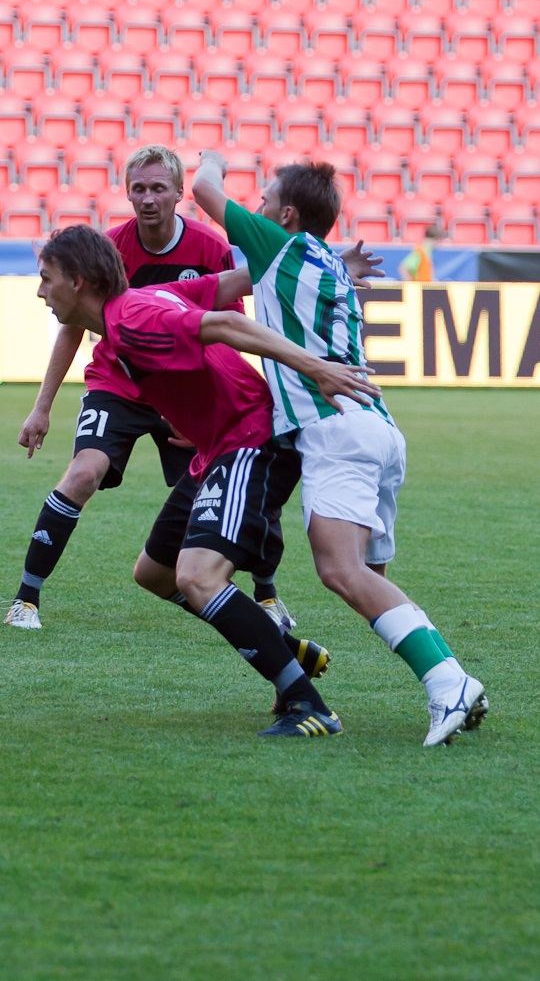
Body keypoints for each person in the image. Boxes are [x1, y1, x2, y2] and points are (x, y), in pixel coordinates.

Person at [35, 225, 382, 737]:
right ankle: (284, 650)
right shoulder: (143, 301)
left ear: (79, 281)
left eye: (46, 279)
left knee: (198, 577)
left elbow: (225, 323)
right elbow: (235, 282)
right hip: (217, 448)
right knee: (154, 573)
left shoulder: (132, 320)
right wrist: (332, 271)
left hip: (250, 440)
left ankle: (309, 706)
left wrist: (316, 369)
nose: (40, 291)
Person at [192, 153, 488, 747]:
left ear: (288, 214)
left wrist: (212, 158)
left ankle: (448, 680)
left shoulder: (282, 248)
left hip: (337, 434)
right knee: (369, 577)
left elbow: (202, 188)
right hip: (378, 430)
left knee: (342, 571)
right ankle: (429, 679)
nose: (257, 209)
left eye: (265, 200)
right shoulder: (326, 262)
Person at [6, 145, 293, 632]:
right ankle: (25, 599)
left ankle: (264, 594)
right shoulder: (107, 249)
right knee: (81, 474)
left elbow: (227, 329)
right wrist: (42, 407)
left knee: (230, 473)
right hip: (118, 382)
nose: (147, 199)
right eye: (138, 188)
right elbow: (74, 326)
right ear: (127, 193)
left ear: (180, 193)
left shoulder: (208, 247)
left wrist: (212, 408)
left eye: (158, 188)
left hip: (181, 386)